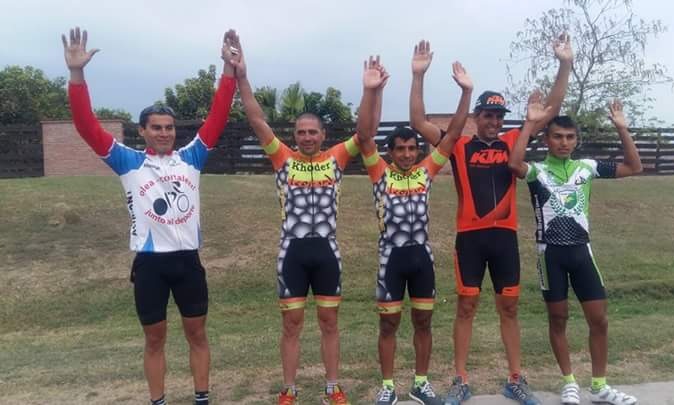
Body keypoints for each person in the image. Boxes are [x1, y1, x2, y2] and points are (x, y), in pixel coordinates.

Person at [63, 27, 239, 405]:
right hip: (149, 265)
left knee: (197, 335)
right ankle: (157, 401)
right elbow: (86, 127)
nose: (164, 133)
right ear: (142, 130)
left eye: (169, 127)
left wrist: (228, 69)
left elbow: (218, 116)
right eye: (156, 127)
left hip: (187, 261)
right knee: (154, 339)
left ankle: (202, 398)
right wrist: (76, 75)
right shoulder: (127, 161)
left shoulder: (192, 156)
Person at [409, 36, 573, 405]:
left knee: (509, 308)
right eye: (487, 115)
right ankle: (460, 380)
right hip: (470, 239)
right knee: (466, 307)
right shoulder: (458, 144)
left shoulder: (514, 139)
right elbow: (418, 121)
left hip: (504, 239)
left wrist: (564, 65)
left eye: (499, 116)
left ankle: (515, 379)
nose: (494, 122)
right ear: (476, 117)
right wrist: (418, 75)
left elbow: (550, 111)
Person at [232, 40, 360, 405]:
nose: (306, 137)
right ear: (295, 135)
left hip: (327, 252)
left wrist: (371, 91)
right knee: (291, 325)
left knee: (329, 323)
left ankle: (332, 387)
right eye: (301, 132)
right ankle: (289, 389)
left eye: (312, 132)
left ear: (323, 135)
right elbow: (257, 120)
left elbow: (366, 132)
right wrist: (243, 77)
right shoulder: (283, 158)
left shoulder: (336, 158)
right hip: (292, 252)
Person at [507, 97, 642, 405]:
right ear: (547, 139)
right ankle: (569, 382)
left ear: (576, 140)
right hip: (550, 255)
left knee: (599, 319)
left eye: (570, 137)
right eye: (557, 136)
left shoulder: (587, 168)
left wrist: (622, 129)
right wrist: (529, 123)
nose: (564, 142)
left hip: (582, 252)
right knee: (558, 319)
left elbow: (634, 167)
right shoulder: (538, 171)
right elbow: (514, 164)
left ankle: (599, 386)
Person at [356, 52, 472, 405]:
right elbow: (363, 136)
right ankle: (388, 386)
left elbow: (453, 135)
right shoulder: (380, 173)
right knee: (388, 325)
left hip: (422, 258)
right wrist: (370, 91)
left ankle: (421, 383)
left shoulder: (425, 171)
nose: (407, 154)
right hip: (390, 260)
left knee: (424, 322)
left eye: (411, 149)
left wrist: (466, 92)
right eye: (400, 149)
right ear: (390, 152)